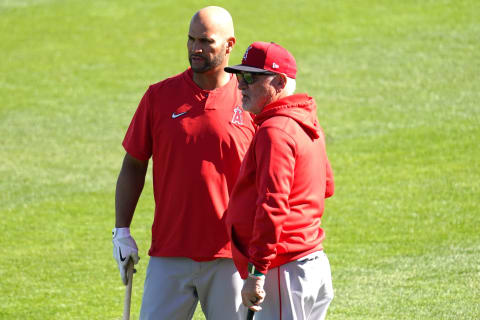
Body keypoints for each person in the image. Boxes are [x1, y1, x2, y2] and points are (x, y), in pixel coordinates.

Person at [112, 6, 254, 320]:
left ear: (230, 45)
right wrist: (121, 230)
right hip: (170, 254)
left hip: (230, 258)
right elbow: (134, 164)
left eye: (206, 41)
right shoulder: (159, 97)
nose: (195, 49)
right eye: (190, 40)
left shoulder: (250, 102)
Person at [224, 41, 335, 320]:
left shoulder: (275, 130)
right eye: (240, 76)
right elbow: (327, 186)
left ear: (280, 81)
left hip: (283, 272)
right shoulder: (305, 120)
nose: (241, 86)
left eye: (251, 77)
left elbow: (272, 205)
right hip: (311, 265)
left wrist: (257, 272)